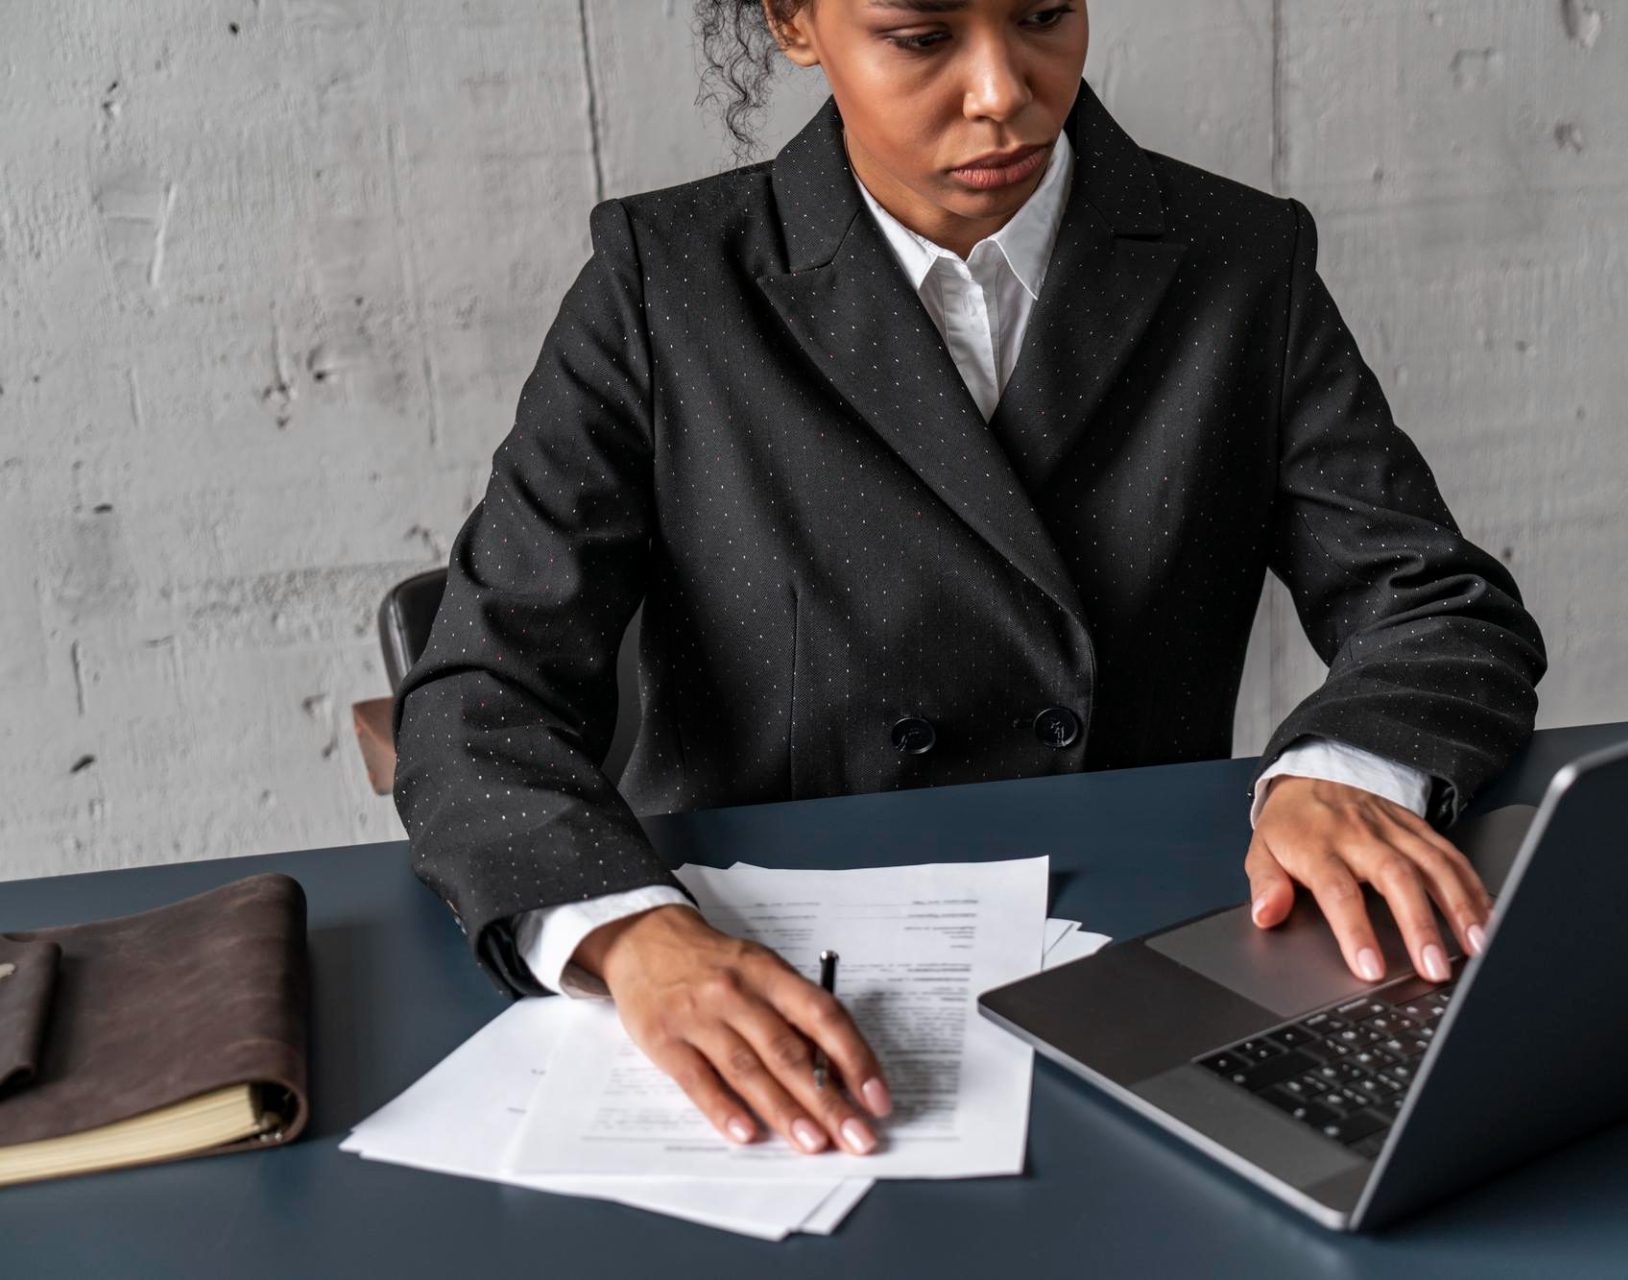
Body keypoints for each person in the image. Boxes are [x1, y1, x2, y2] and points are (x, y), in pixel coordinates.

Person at [390, 0, 1548, 1163]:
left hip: (1150, 958)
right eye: (922, 35)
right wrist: (634, 937)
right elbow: (478, 696)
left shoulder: (1239, 259)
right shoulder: (667, 282)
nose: (1004, 89)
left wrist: (1332, 772)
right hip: (776, 975)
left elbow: (1435, 603)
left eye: (1045, 13)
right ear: (797, 23)